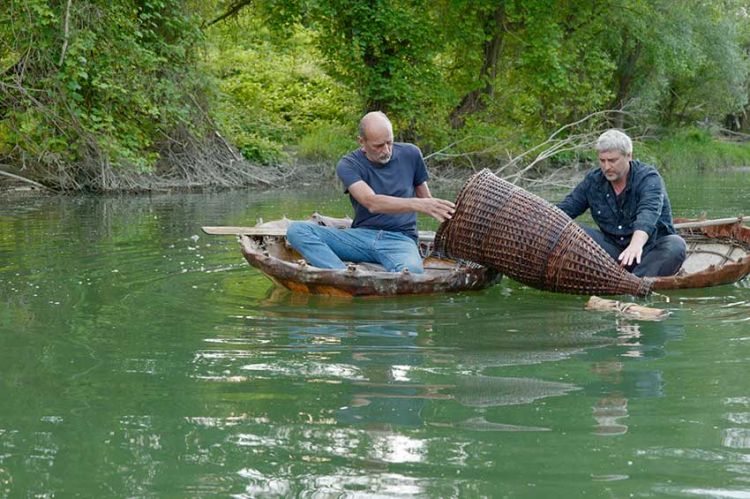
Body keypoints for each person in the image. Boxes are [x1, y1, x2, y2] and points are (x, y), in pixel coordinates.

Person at [286, 111, 455, 274]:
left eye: (390, 142)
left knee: (412, 272)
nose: (387, 150)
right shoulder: (348, 164)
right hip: (359, 238)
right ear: (362, 142)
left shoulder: (411, 154)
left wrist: (449, 217)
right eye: (379, 146)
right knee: (296, 230)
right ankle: (341, 274)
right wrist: (417, 204)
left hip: (401, 240)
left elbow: (428, 201)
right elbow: (371, 202)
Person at [557, 129, 686, 277]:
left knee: (676, 245)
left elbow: (648, 213)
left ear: (629, 156)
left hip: (650, 252)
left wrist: (636, 245)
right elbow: (565, 210)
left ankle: (635, 283)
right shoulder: (593, 181)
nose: (606, 167)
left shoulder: (648, 178)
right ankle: (612, 276)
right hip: (614, 253)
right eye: (602, 161)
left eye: (612, 160)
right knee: (573, 231)